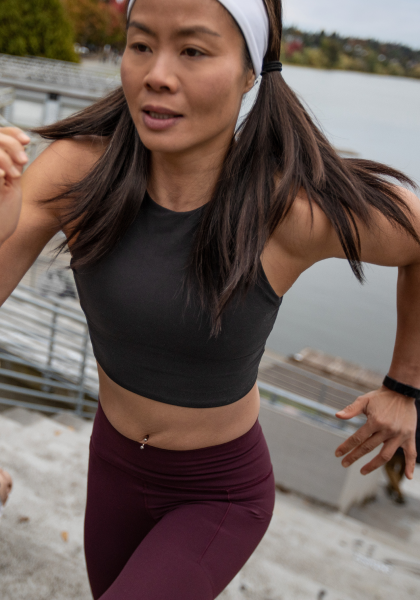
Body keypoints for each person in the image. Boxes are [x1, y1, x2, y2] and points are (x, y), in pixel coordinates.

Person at [0, 0, 419, 598]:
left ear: (250, 71)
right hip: (113, 464)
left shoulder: (289, 211)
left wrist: (405, 385)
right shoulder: (79, 172)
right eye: (141, 45)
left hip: (217, 494)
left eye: (193, 50)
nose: (157, 74)